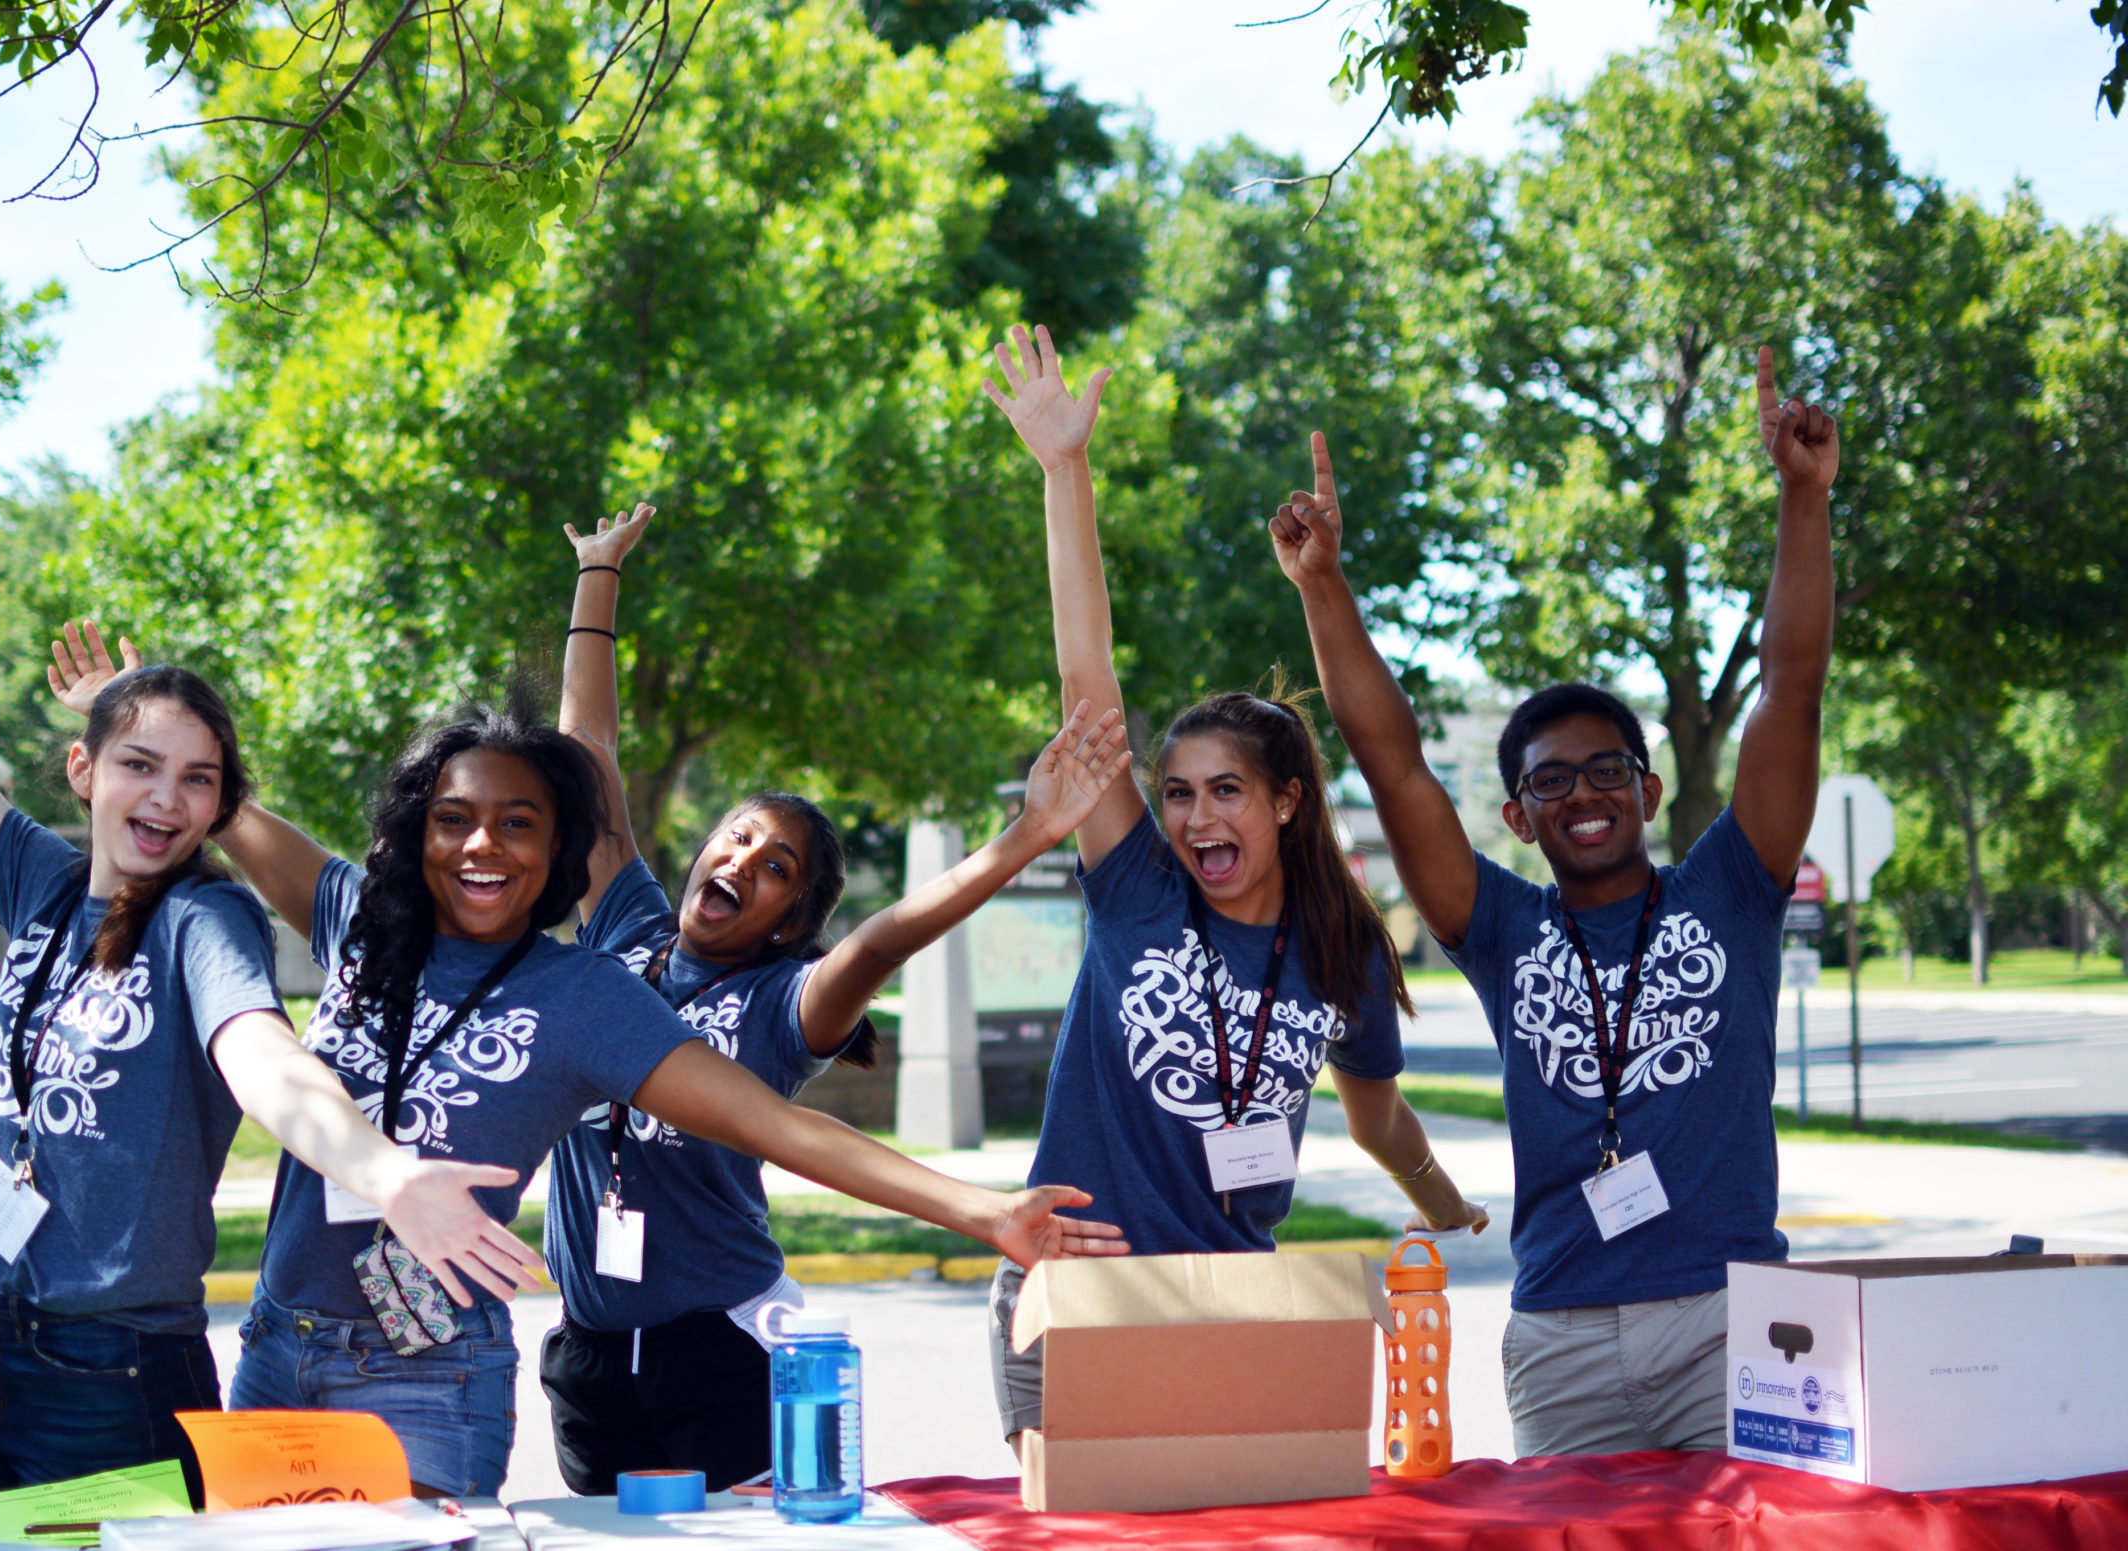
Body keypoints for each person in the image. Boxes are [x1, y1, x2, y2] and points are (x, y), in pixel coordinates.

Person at [43, 628, 1128, 1500]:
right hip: (281, 1343)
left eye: (519, 824)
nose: (483, 846)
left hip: (430, 1368)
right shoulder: (357, 920)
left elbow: (781, 1125)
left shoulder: (584, 995)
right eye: (456, 818)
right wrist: (128, 709)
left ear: (558, 851)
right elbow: (205, 800)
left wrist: (981, 1212)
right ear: (418, 829)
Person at [0, 501, 550, 1525]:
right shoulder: (39, 882)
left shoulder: (205, 920)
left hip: (115, 1375)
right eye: (139, 765)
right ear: (83, 770)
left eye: (197, 780)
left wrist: (387, 1173)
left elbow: (264, 1058)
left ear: (219, 809)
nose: (165, 798)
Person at [1269, 346, 1838, 1456]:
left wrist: (1801, 502)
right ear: (1520, 816)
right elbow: (1392, 764)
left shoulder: (1732, 888)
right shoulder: (1501, 927)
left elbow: (1792, 687)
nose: (1583, 793)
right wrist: (1323, 587)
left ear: (1648, 789)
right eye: (1550, 780)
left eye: (1606, 770)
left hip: (1728, 1320)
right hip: (1559, 1339)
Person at [541, 505, 1136, 1493]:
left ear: (785, 920)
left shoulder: (782, 1004)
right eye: (733, 838)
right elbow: (586, 753)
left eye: (774, 867)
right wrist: (597, 576)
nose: (740, 859)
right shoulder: (619, 935)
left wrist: (1026, 836)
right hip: (589, 1355)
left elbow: (883, 937)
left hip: (723, 1346)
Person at [978, 325, 1490, 1451]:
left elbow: (1378, 1117)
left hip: (1232, 1302)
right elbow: (1084, 681)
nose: (1197, 817)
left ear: (1289, 802)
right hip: (1075, 1292)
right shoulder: (1139, 895)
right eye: (1177, 792)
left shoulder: (1338, 951)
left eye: (1226, 793)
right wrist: (1065, 472)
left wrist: (1442, 1202)